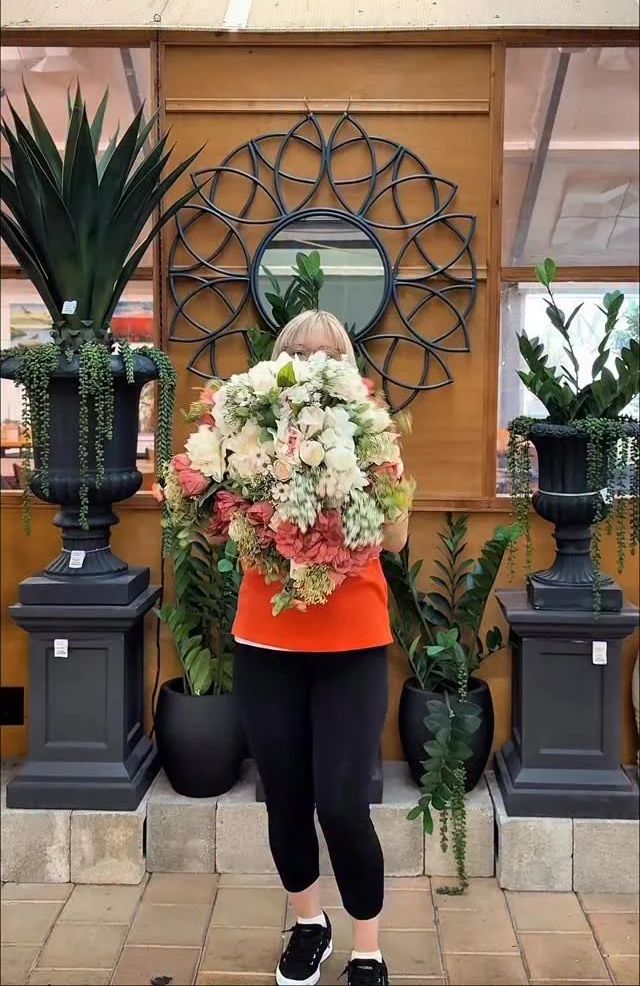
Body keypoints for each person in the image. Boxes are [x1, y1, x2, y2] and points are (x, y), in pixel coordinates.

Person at [233, 310, 409, 986]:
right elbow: (229, 527)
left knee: (340, 803)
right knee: (284, 796)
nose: (313, 360)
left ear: (347, 363)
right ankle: (310, 924)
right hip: (267, 637)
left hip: (352, 639)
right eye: (300, 350)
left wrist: (368, 472)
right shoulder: (248, 430)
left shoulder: (373, 429)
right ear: (279, 361)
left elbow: (395, 539)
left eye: (328, 352)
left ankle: (368, 950)